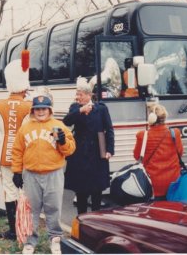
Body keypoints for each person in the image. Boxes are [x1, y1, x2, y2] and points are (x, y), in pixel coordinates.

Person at [11, 92, 75, 254]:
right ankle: (30, 241)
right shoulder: (25, 128)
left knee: (53, 207)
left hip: (54, 173)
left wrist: (62, 141)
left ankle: (55, 239)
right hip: (31, 174)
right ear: (33, 110)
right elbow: (17, 151)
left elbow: (70, 149)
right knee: (32, 209)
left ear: (50, 110)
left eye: (44, 108)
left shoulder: (59, 126)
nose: (41, 112)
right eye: (37, 109)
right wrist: (17, 171)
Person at [0, 58, 32, 240]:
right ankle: (26, 228)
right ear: (24, 86)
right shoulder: (29, 106)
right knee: (25, 191)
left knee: (9, 191)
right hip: (25, 159)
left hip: (5, 158)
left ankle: (13, 230)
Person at [63, 77, 114, 215]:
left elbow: (109, 129)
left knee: (97, 191)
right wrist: (80, 110)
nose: (77, 97)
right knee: (81, 192)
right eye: (77, 94)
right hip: (80, 154)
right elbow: (66, 121)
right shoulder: (75, 108)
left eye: (80, 94)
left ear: (88, 95)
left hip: (98, 153)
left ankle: (96, 220)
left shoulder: (101, 109)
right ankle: (81, 220)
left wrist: (110, 150)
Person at [133, 104, 183, 200]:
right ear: (164, 117)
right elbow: (180, 153)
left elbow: (137, 156)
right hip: (174, 182)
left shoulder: (142, 136)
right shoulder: (175, 133)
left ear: (150, 118)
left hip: (152, 184)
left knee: (155, 212)